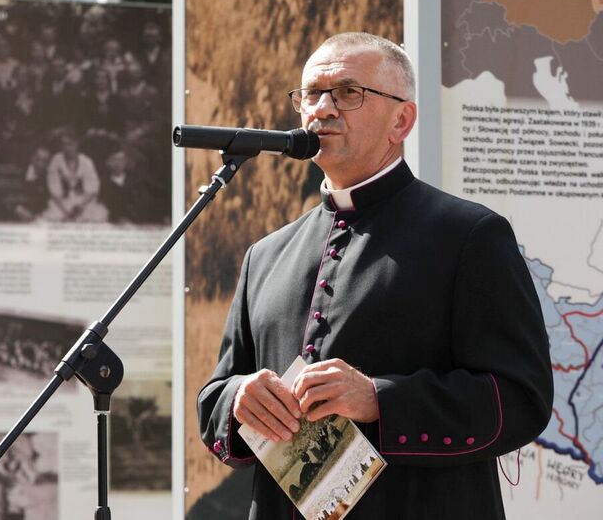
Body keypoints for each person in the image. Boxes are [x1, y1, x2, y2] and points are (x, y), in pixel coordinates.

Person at [197, 32, 553, 519]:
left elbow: (521, 398)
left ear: (401, 120)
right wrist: (240, 397)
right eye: (310, 94)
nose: (321, 109)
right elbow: (215, 396)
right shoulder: (266, 253)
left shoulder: (469, 236)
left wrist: (379, 400)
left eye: (348, 92)